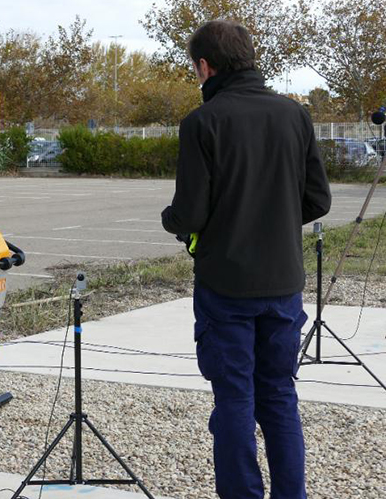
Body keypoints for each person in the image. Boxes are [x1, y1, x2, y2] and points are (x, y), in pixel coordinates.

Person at [161, 20, 331, 499]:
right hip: (282, 284)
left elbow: (190, 214)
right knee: (279, 396)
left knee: (235, 397)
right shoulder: (295, 115)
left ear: (204, 66)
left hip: (225, 285)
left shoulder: (203, 121)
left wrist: (170, 219)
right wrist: (271, 217)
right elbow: (318, 200)